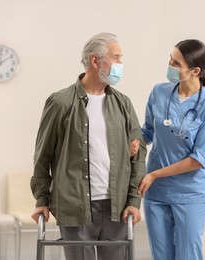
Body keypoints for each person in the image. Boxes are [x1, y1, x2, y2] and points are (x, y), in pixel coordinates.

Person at [30, 32, 146, 260]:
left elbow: (138, 154)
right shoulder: (61, 102)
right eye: (116, 57)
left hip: (116, 207)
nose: (120, 64)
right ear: (95, 60)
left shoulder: (123, 103)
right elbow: (42, 156)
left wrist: (133, 201)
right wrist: (41, 199)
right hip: (74, 207)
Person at [137, 39, 205, 260]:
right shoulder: (159, 92)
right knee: (161, 257)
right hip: (156, 194)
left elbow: (199, 158)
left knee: (187, 256)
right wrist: (131, 142)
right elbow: (147, 132)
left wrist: (154, 174)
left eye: (176, 63)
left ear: (195, 71)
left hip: (190, 193)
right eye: (170, 60)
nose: (170, 66)